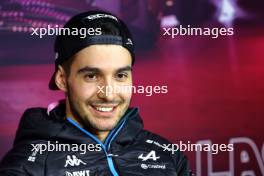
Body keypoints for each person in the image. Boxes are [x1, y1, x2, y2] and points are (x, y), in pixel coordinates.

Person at [0, 10, 192, 176]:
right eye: (91, 76)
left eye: (121, 75)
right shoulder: (26, 167)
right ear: (61, 79)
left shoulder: (167, 155)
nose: (108, 94)